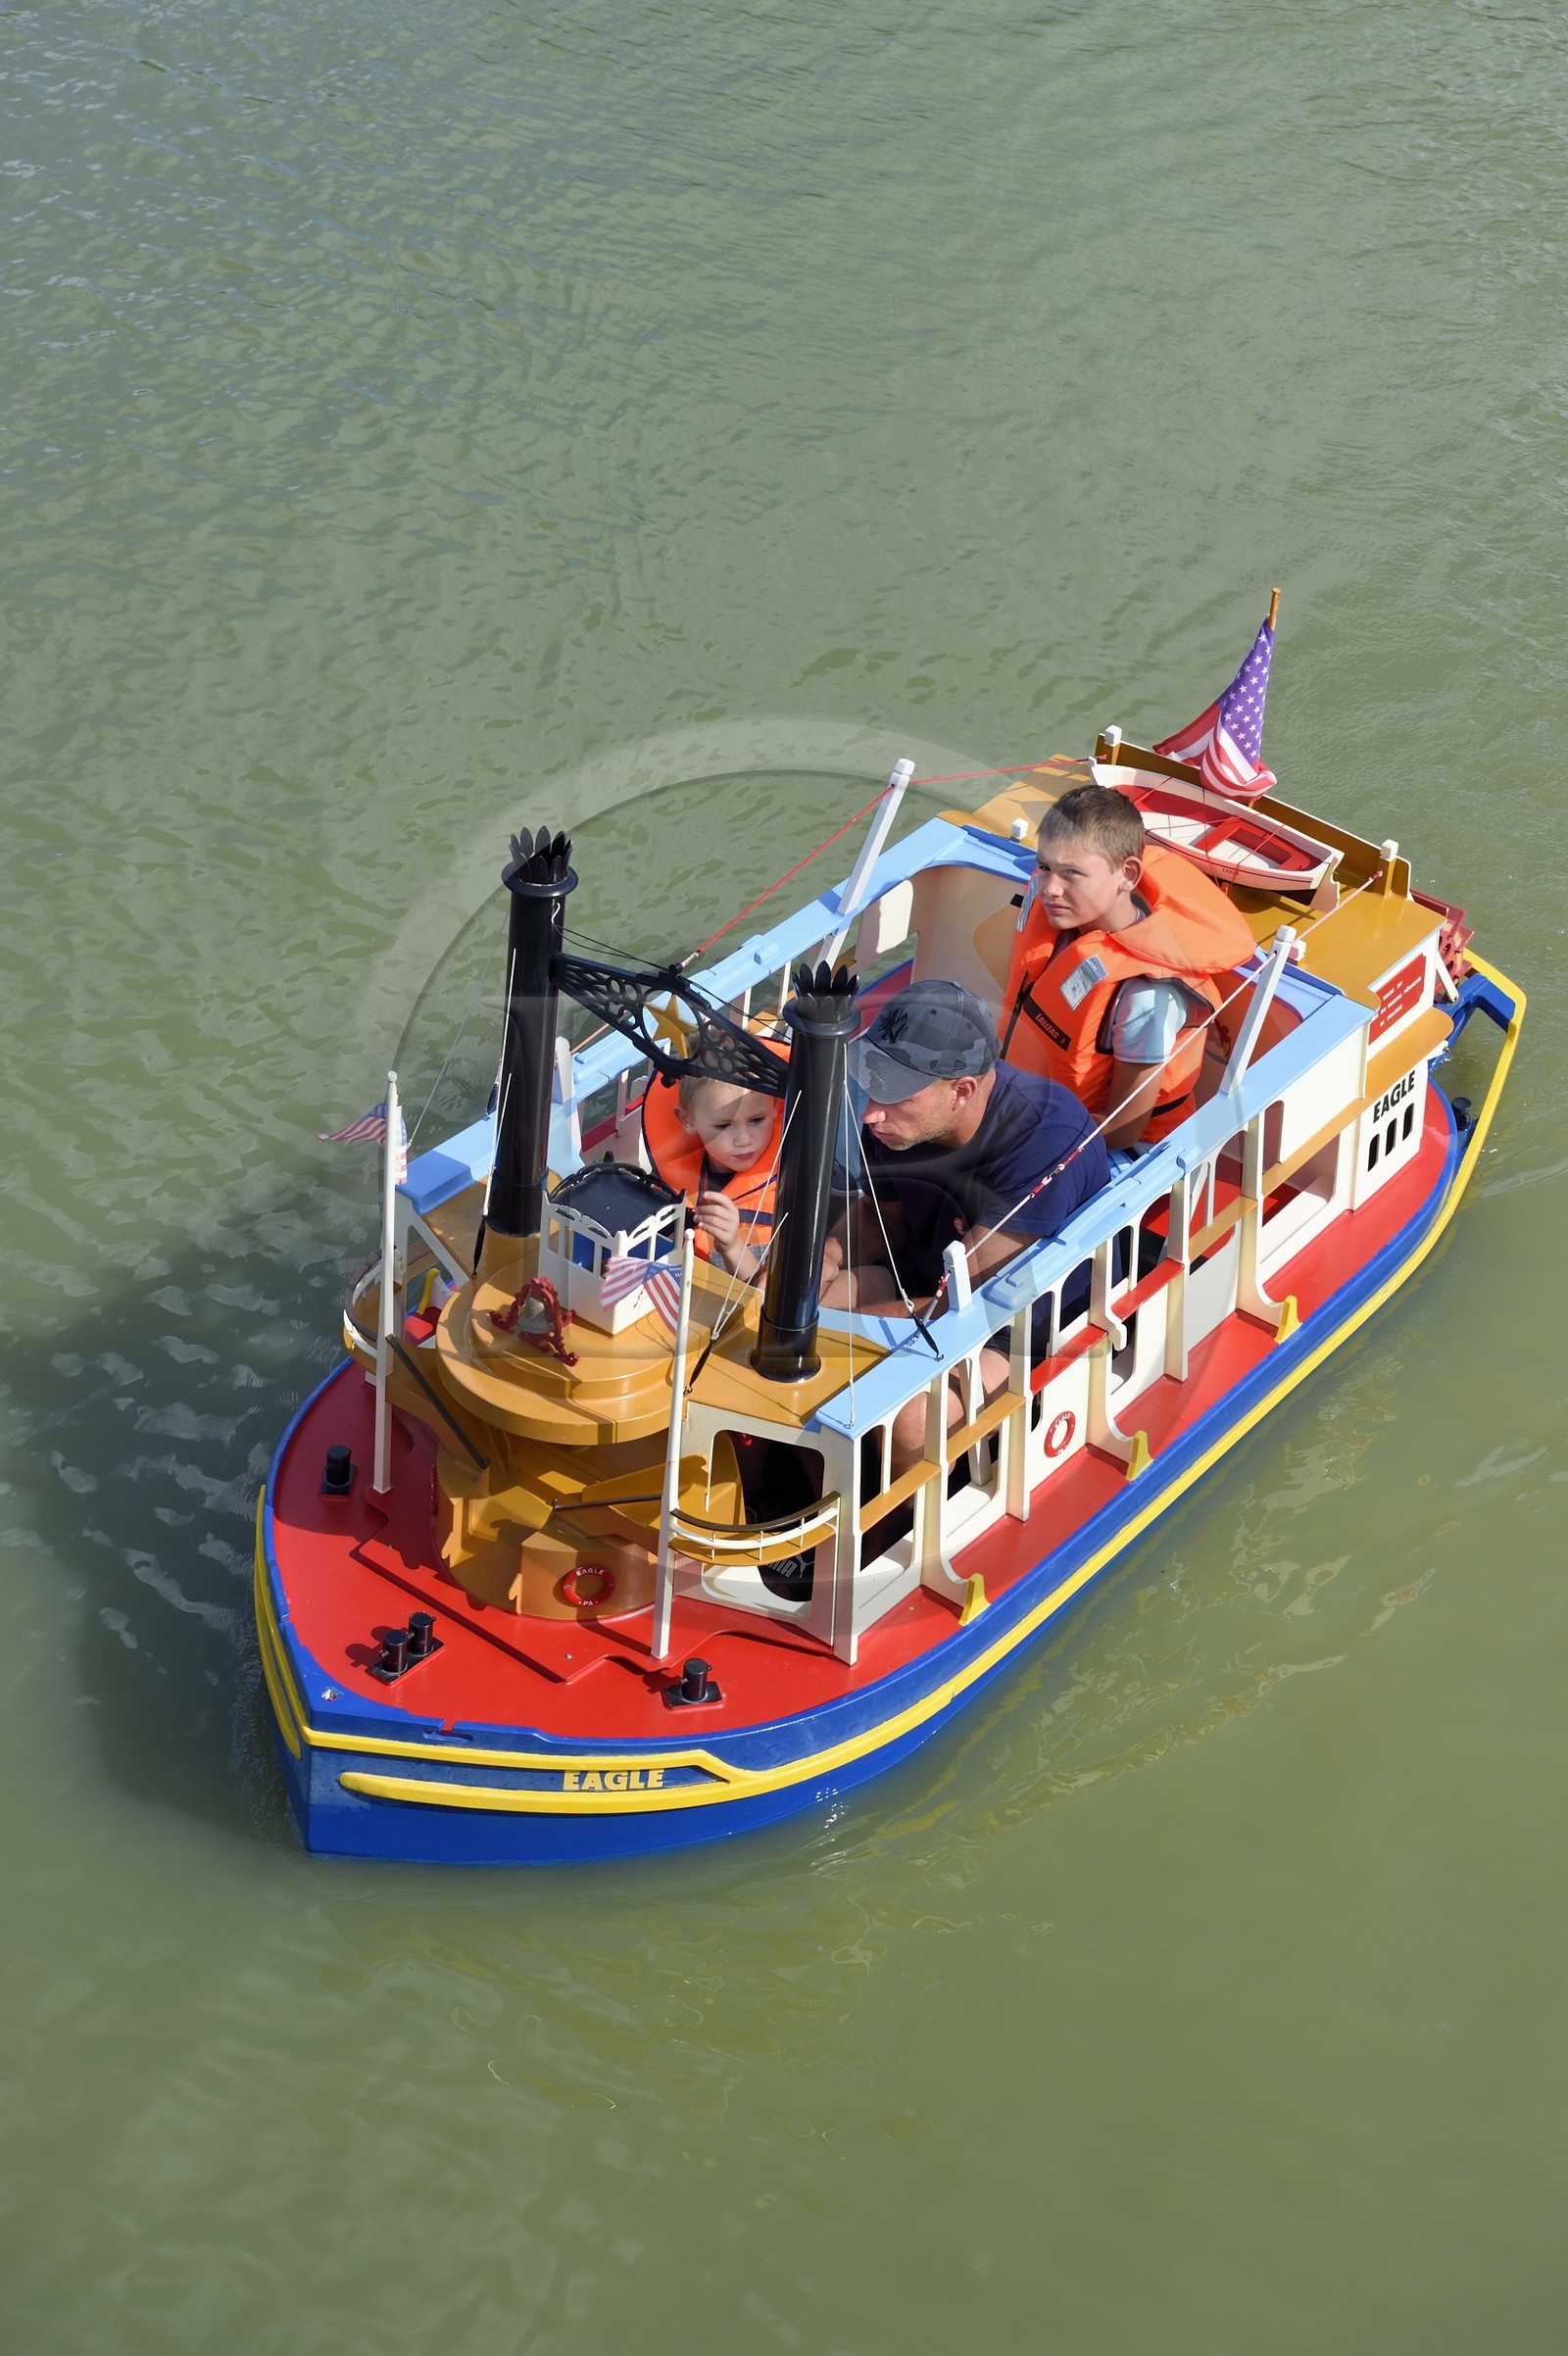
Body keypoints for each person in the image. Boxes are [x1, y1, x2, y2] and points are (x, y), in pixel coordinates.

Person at [820, 979, 1107, 1475]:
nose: (870, 1112)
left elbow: (961, 1297)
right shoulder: (893, 1123)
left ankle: (896, 1532)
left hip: (1015, 1322)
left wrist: (829, 1334)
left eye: (893, 1093)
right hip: (923, 1279)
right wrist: (823, 1261)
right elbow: (877, 1218)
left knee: (912, 1420)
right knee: (823, 1295)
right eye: (872, 1082)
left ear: (962, 1091)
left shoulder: (1044, 1134)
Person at [1000, 782, 1256, 1150]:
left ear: (1128, 875)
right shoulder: (1062, 920)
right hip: (1025, 1101)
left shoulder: (1145, 994)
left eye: (1071, 873)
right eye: (1044, 867)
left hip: (1119, 1150)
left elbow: (1122, 1128)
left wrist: (1011, 1130)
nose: (1050, 889)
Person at [641, 1071, 783, 1280]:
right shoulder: (669, 1177)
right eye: (724, 1125)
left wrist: (732, 1247)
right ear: (687, 1120)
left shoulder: (791, 1185)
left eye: (756, 1119)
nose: (744, 1139)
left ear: (775, 1107)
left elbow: (766, 1293)